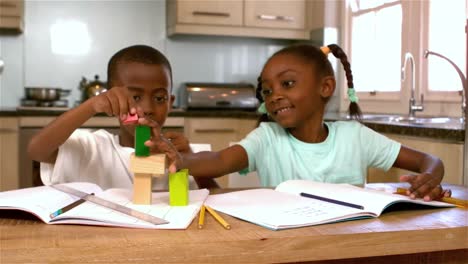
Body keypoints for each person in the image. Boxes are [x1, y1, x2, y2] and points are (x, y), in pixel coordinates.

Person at [145, 43, 451, 201]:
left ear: (326, 88)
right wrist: (180, 159)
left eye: (287, 84)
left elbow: (429, 160)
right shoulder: (267, 137)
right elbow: (220, 159)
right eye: (267, 90)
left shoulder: (357, 137)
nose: (275, 95)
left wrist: (430, 177)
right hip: (290, 244)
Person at [28, 45, 216, 190]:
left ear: (170, 103)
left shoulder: (181, 151)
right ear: (113, 100)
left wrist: (190, 163)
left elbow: (214, 197)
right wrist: (92, 105)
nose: (148, 109)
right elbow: (36, 150)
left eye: (159, 98)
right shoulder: (92, 148)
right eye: (135, 97)